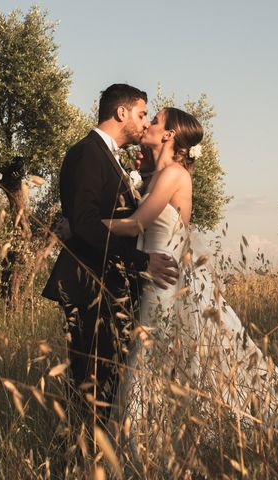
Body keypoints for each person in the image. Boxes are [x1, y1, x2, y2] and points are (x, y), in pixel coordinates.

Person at [102, 107, 278, 460]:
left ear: (169, 135)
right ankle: (154, 444)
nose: (148, 123)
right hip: (155, 276)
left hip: (167, 280)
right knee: (160, 357)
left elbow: (134, 226)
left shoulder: (174, 175)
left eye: (155, 120)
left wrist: (81, 225)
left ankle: (146, 447)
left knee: (153, 357)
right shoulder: (155, 176)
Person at [42, 84, 178, 429]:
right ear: (122, 113)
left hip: (108, 288)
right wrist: (142, 264)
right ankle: (81, 462)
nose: (145, 123)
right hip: (90, 288)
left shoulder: (109, 157)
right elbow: (85, 224)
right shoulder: (87, 153)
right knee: (91, 389)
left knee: (108, 386)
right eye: (142, 114)